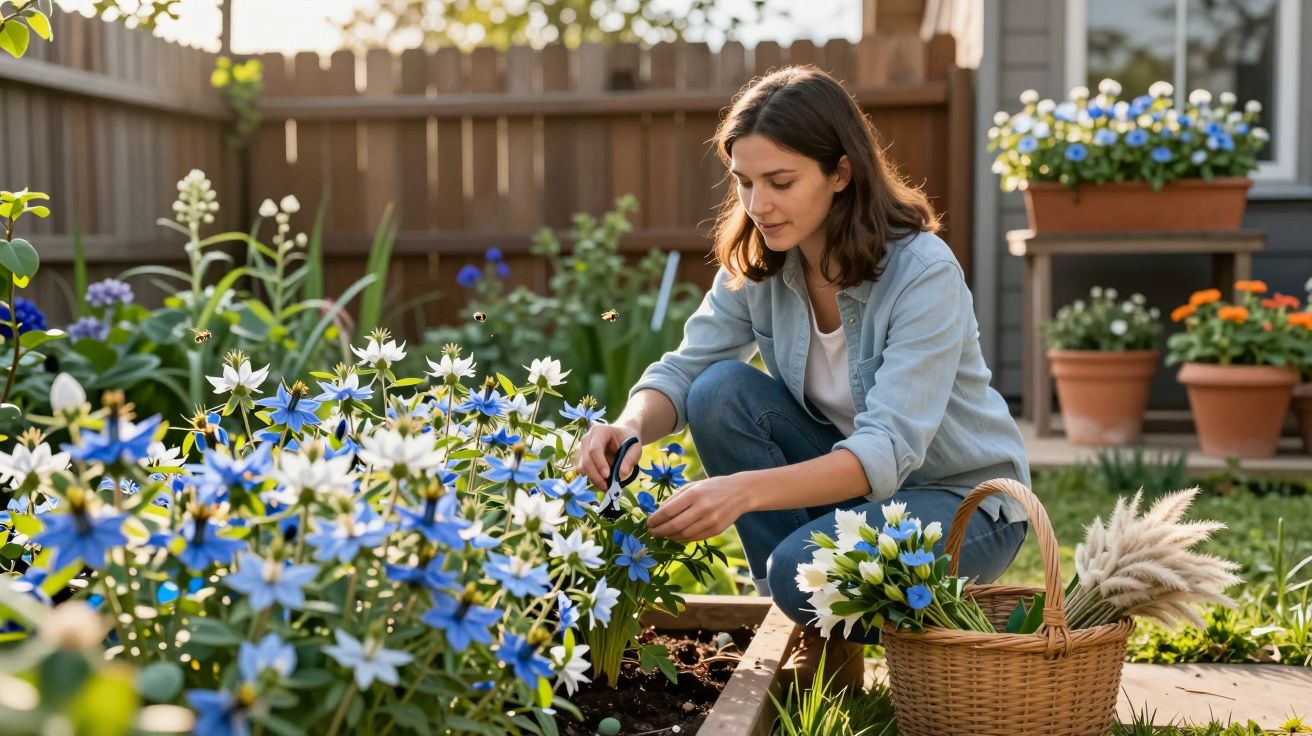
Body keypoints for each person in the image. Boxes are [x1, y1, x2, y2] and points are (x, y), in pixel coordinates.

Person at [570, 66, 1030, 694]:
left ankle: (933, 637)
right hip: (868, 501)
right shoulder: (761, 264)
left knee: (800, 570)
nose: (758, 206)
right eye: (745, 183)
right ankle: (808, 629)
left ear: (841, 173)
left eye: (780, 182)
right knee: (719, 391)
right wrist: (626, 426)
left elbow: (885, 450)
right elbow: (684, 371)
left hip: (963, 505)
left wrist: (742, 491)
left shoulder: (923, 273)